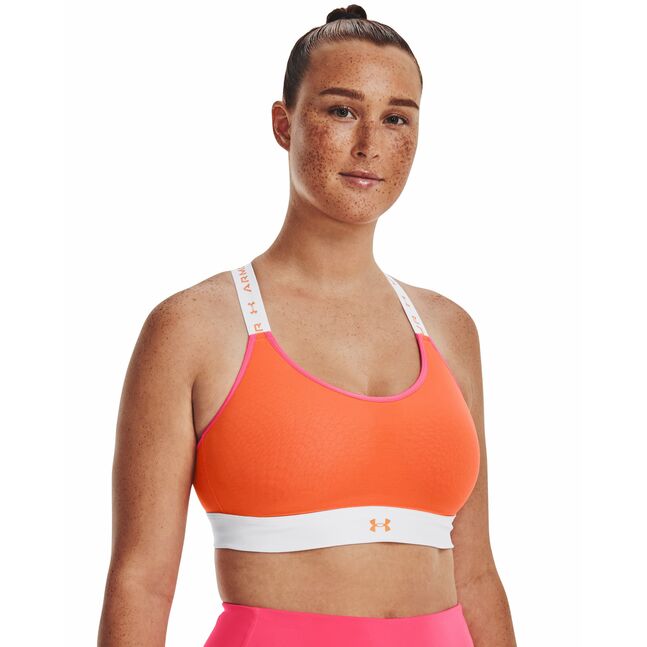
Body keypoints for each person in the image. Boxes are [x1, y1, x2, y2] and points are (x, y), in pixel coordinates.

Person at [98, 5, 517, 646]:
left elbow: (478, 573)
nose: (369, 144)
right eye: (342, 110)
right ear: (283, 123)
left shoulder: (449, 329)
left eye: (397, 118)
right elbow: (141, 581)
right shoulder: (194, 328)